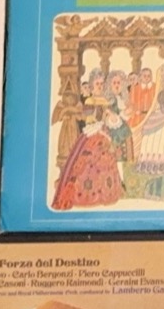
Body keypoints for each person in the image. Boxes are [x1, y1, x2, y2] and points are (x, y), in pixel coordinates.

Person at [52, 72, 123, 209]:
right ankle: (86, 195)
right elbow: (89, 119)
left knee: (108, 159)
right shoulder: (90, 101)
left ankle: (106, 193)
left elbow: (109, 121)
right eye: (97, 84)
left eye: (102, 84)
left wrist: (110, 117)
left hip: (104, 134)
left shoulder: (105, 100)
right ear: (91, 86)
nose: (100, 86)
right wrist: (98, 120)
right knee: (86, 162)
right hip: (92, 134)